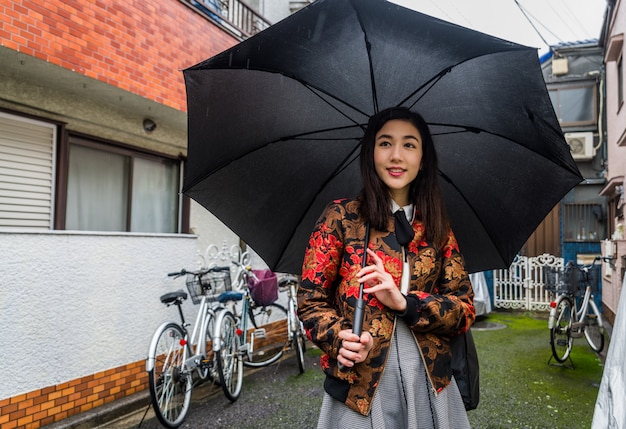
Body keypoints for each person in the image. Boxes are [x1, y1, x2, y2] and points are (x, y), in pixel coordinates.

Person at [297, 106, 475, 428]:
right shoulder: (342, 217)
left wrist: (407, 303)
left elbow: (463, 310)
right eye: (384, 143)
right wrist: (340, 339)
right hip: (360, 384)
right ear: (371, 153)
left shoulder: (437, 226)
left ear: (423, 159)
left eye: (409, 144)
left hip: (428, 378)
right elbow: (310, 300)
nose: (396, 155)